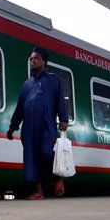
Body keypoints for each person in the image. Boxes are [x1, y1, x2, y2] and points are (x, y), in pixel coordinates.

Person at [6, 46, 69, 200]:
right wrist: (13, 127)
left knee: (45, 152)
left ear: (44, 62)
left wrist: (63, 119)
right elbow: (20, 107)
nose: (33, 61)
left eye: (36, 58)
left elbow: (59, 99)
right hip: (28, 127)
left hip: (46, 124)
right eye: (31, 59)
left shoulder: (53, 80)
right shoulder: (26, 85)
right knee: (31, 157)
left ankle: (56, 177)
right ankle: (38, 192)